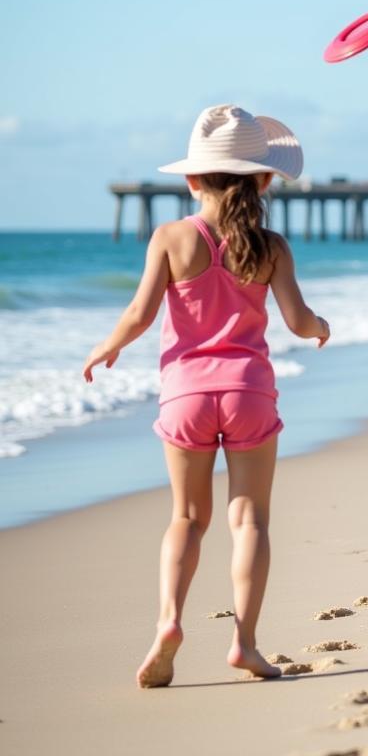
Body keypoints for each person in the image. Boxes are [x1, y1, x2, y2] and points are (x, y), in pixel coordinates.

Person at [83, 105, 330, 687]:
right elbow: (296, 321)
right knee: (249, 520)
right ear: (266, 180)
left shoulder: (172, 238)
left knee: (188, 518)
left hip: (185, 396)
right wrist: (320, 326)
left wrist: (106, 347)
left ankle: (170, 620)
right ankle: (244, 642)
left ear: (192, 179)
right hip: (248, 393)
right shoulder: (272, 246)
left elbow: (140, 314)